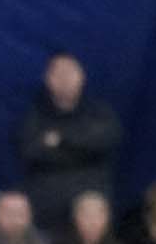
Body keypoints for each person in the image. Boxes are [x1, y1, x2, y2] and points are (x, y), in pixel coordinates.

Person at [17, 52, 122, 233]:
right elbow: (30, 151)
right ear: (48, 79)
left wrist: (61, 140)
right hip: (45, 203)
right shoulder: (34, 116)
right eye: (59, 74)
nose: (65, 80)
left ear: (82, 77)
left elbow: (105, 141)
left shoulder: (99, 113)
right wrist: (80, 151)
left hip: (88, 200)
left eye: (70, 73)